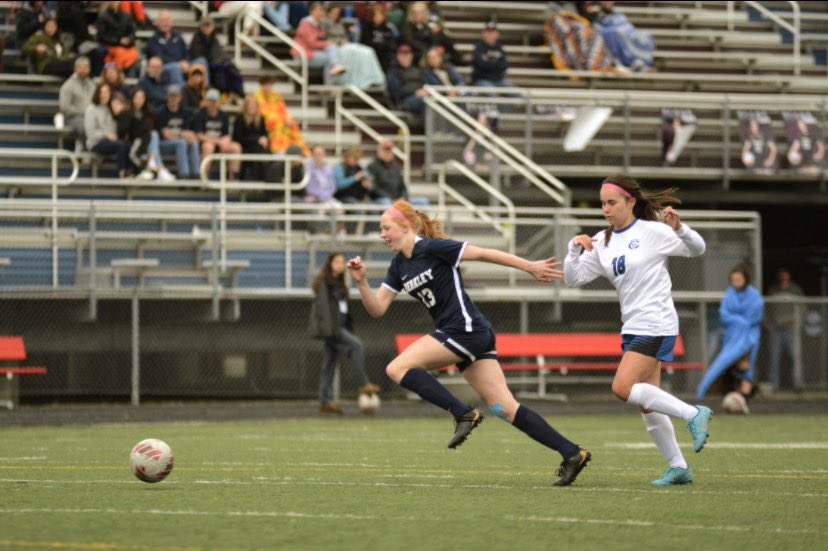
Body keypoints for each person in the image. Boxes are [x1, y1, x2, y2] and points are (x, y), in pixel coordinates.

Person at [347, 200, 591, 486]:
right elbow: (377, 309)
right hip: (465, 335)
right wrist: (362, 282)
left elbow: (483, 253)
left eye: (386, 228)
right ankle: (572, 453)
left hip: (466, 329)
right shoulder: (399, 265)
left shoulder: (433, 248)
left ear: (406, 227)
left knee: (397, 368)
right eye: (381, 229)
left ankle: (462, 413)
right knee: (503, 407)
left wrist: (529, 266)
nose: (382, 234)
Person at [563, 174, 711, 486]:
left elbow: (697, 249)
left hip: (657, 322)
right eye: (603, 203)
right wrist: (573, 249)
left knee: (621, 388)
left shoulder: (653, 231)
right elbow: (573, 279)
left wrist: (680, 228)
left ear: (630, 202)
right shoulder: (604, 242)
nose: (606, 209)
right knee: (647, 402)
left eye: (612, 202)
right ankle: (679, 467)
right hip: (632, 326)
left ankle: (693, 413)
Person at [309, 252, 381, 414]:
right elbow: (323, 308)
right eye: (337, 262)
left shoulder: (339, 282)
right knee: (356, 345)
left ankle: (324, 402)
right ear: (330, 263)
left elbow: (342, 307)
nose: (340, 265)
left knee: (329, 365)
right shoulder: (324, 282)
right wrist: (329, 331)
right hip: (332, 329)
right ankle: (364, 384)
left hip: (339, 327)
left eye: (342, 262)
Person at [696, 264, 764, 407]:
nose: (736, 282)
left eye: (739, 279)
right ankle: (701, 395)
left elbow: (754, 317)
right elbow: (724, 315)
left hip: (749, 338)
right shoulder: (729, 294)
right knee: (729, 365)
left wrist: (739, 321)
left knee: (745, 366)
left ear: (745, 279)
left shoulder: (754, 295)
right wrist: (740, 321)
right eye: (734, 279)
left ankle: (744, 398)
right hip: (732, 338)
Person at [322, 4, 385, 89]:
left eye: (337, 13)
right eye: (333, 13)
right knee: (356, 52)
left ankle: (375, 79)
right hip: (334, 48)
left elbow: (344, 36)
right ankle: (360, 82)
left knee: (368, 51)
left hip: (346, 44)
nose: (335, 15)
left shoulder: (339, 24)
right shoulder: (323, 23)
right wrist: (338, 42)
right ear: (328, 13)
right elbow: (324, 38)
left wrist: (350, 36)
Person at [765, 267, 804, 392]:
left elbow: (804, 307)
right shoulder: (773, 290)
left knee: (795, 357)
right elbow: (765, 308)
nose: (783, 276)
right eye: (781, 274)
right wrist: (768, 324)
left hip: (790, 329)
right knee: (774, 358)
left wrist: (798, 324)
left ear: (789, 275)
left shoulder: (795, 289)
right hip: (775, 329)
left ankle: (797, 384)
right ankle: (774, 385)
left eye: (785, 274)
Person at [292, 2, 348, 85]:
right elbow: (311, 43)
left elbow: (321, 40)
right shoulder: (306, 23)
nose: (319, 13)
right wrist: (327, 43)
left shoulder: (318, 24)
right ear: (311, 12)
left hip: (312, 52)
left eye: (321, 10)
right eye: (316, 10)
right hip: (302, 54)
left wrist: (329, 43)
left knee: (333, 50)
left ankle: (335, 70)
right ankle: (329, 87)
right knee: (329, 58)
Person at [188, 17, 244, 101]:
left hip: (213, 65)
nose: (207, 27)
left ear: (213, 27)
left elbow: (219, 54)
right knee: (204, 62)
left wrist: (222, 62)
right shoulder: (197, 39)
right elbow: (196, 55)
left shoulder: (215, 39)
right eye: (205, 25)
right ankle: (207, 90)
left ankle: (234, 94)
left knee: (229, 67)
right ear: (201, 27)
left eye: (209, 25)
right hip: (200, 67)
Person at [192, 88, 242, 179]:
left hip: (220, 143)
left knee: (236, 147)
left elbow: (227, 134)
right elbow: (199, 135)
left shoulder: (224, 115)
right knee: (208, 147)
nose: (212, 104)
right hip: (205, 144)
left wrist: (225, 141)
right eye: (210, 101)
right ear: (206, 102)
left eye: (214, 101)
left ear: (218, 102)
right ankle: (203, 178)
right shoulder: (200, 114)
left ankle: (233, 179)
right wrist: (218, 141)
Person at [155, 84, 200, 180]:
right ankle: (184, 175)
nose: (173, 99)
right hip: (162, 144)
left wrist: (184, 135)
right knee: (182, 142)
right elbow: (166, 135)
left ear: (180, 98)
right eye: (171, 96)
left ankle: (196, 174)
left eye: (176, 96)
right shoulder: (161, 112)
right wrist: (180, 134)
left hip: (178, 141)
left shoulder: (185, 112)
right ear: (167, 97)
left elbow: (189, 133)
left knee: (194, 143)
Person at [85, 82, 130, 178]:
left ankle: (131, 172)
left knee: (127, 144)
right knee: (120, 145)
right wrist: (106, 134)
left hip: (110, 141)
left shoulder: (110, 109)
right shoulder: (91, 109)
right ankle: (122, 173)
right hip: (96, 143)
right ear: (98, 93)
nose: (105, 95)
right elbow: (90, 134)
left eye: (107, 92)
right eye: (102, 92)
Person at [255, 74, 308, 154]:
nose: (268, 88)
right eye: (266, 85)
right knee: (277, 124)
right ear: (262, 85)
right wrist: (280, 120)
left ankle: (301, 150)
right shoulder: (257, 96)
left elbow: (283, 111)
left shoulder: (276, 96)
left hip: (280, 122)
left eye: (270, 85)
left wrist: (287, 120)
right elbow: (264, 113)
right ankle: (278, 150)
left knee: (292, 124)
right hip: (267, 124)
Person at [131, 87, 175, 181]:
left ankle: (153, 162)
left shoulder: (148, 113)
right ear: (132, 98)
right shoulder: (128, 113)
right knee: (153, 135)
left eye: (141, 98)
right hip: (136, 141)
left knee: (154, 134)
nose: (139, 100)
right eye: (137, 97)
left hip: (147, 141)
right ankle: (160, 168)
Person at [366, 139, 427, 206]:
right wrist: (391, 199)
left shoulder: (396, 167)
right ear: (379, 151)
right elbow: (374, 189)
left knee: (423, 201)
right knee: (387, 203)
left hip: (396, 199)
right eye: (385, 149)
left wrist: (403, 198)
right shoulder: (372, 166)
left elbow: (403, 187)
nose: (387, 152)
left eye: (389, 150)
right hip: (380, 200)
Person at [145, 10, 194, 86]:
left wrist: (186, 62)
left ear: (172, 23)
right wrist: (178, 64)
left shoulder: (178, 37)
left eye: (167, 20)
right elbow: (160, 58)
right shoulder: (153, 39)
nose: (165, 23)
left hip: (181, 65)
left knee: (201, 62)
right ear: (158, 23)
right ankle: (183, 93)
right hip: (163, 68)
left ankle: (204, 92)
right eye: (163, 21)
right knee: (175, 68)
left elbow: (187, 53)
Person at [305, 144, 346, 235]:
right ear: (312, 155)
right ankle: (320, 233)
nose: (318, 157)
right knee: (320, 211)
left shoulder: (328, 169)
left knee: (339, 208)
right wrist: (320, 195)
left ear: (324, 155)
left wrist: (327, 195)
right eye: (316, 154)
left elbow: (333, 186)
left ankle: (340, 233)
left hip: (327, 198)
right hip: (314, 199)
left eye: (320, 154)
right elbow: (309, 188)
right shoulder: (308, 169)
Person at [95, 1, 140, 76]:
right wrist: (118, 40)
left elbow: (132, 32)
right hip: (109, 47)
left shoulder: (126, 15)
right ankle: (116, 74)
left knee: (134, 56)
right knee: (118, 55)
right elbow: (101, 36)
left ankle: (128, 79)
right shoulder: (103, 16)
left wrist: (129, 39)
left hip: (126, 47)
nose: (114, 2)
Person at [231, 94, 270, 181]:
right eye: (250, 104)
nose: (252, 107)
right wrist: (257, 140)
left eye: (254, 105)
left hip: (259, 148)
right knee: (259, 151)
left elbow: (265, 135)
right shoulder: (239, 119)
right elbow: (237, 138)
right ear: (245, 106)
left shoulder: (261, 118)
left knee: (263, 151)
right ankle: (260, 180)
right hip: (244, 148)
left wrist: (264, 139)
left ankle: (264, 180)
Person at [59, 56, 95, 147]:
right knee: (86, 127)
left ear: (89, 69)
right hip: (73, 117)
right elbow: (64, 107)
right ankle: (86, 151)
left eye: (85, 67)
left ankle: (95, 151)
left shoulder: (92, 84)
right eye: (80, 67)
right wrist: (83, 111)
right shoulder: (68, 85)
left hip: (91, 116)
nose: (83, 70)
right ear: (75, 69)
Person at [386, 44, 426, 116]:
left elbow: (426, 84)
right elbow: (396, 91)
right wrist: (415, 92)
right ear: (398, 56)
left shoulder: (417, 70)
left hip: (422, 95)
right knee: (424, 101)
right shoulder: (393, 72)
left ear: (412, 56)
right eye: (403, 55)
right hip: (404, 101)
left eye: (408, 55)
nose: (406, 57)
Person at [472, 22, 511, 88]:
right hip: (482, 80)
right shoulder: (479, 47)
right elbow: (481, 65)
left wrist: (488, 61)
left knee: (516, 93)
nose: (490, 34)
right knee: (491, 93)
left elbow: (504, 65)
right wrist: (495, 62)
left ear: (497, 34)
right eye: (488, 32)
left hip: (498, 80)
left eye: (492, 32)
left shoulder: (499, 47)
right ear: (483, 33)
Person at [360, 3, 396, 73]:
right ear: (372, 15)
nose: (378, 17)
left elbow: (389, 44)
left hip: (384, 55)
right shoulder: (367, 27)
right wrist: (379, 46)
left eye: (380, 15)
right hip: (370, 54)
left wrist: (381, 47)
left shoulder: (388, 29)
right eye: (376, 15)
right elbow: (365, 42)